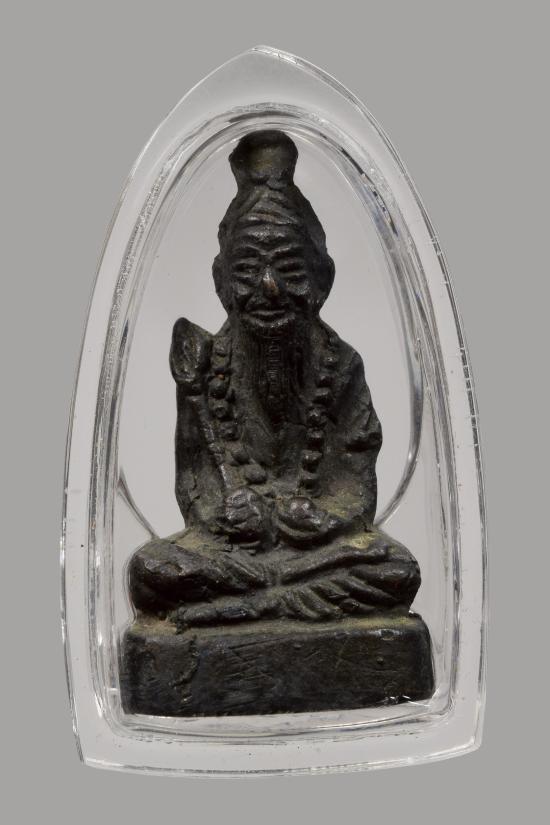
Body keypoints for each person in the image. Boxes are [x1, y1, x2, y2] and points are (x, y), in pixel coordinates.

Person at [128, 130, 421, 627]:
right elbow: (194, 482)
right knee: (152, 570)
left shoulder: (341, 366)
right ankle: (281, 598)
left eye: (288, 268)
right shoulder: (204, 366)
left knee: (394, 570)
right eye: (248, 270)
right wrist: (220, 518)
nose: (269, 287)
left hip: (318, 554)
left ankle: (252, 605)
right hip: (244, 558)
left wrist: (326, 519)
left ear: (322, 279)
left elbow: (356, 482)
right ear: (221, 282)